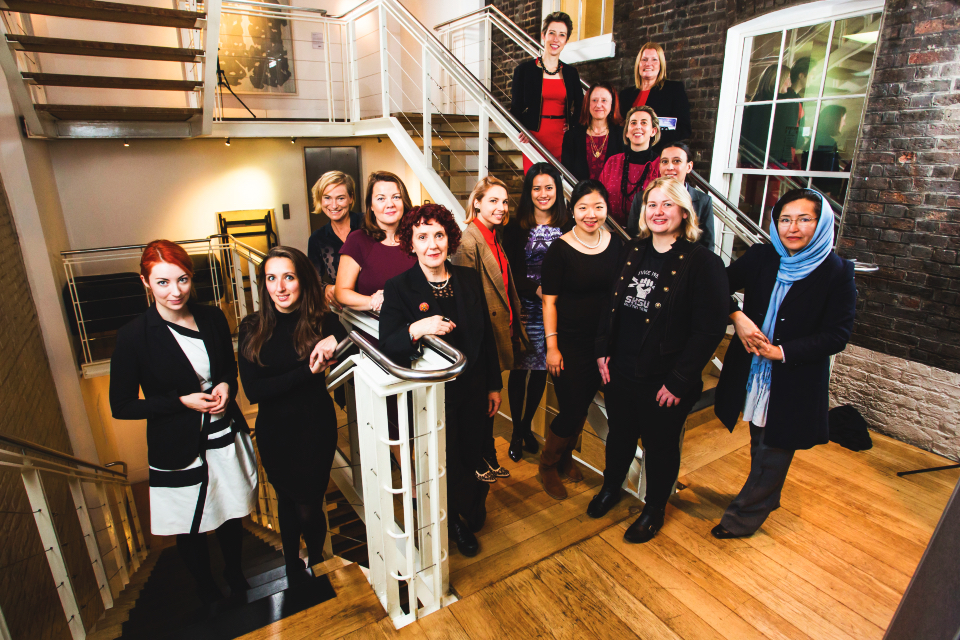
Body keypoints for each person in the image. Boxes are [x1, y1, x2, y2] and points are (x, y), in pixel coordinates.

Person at [110, 240, 257, 605]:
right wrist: (180, 402)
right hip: (176, 443)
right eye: (162, 283)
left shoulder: (212, 317)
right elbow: (122, 405)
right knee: (190, 524)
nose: (175, 291)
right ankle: (205, 586)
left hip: (223, 432)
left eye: (182, 280)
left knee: (230, 511)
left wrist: (225, 384)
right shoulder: (133, 336)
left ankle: (234, 573)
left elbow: (227, 368)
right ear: (145, 282)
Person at [588, 177, 728, 543]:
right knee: (618, 436)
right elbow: (611, 305)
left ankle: (654, 508)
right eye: (652, 204)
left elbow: (708, 330)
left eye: (668, 204)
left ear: (684, 212)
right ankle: (611, 487)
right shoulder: (631, 250)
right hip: (620, 370)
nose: (658, 212)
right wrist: (602, 349)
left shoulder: (703, 263)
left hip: (664, 378)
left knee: (661, 446)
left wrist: (680, 379)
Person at [711, 188, 856, 540]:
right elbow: (716, 282)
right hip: (752, 371)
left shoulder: (836, 272)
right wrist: (737, 316)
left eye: (805, 219)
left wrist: (782, 352)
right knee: (760, 439)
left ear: (821, 223)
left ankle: (742, 517)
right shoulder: (763, 256)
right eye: (785, 219)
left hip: (793, 377)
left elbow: (837, 335)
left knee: (776, 446)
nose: (793, 227)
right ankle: (765, 497)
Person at [379, 204, 503, 558]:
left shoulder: (467, 277)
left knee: (476, 452)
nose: (432, 244)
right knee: (443, 461)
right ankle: (453, 524)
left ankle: (470, 509)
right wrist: (417, 328)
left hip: (475, 389)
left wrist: (494, 384)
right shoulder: (399, 287)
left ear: (449, 239)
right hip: (432, 398)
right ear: (411, 244)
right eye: (422, 237)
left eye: (438, 235)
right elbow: (388, 345)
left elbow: (486, 337)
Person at [238, 247, 342, 580]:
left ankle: (315, 559)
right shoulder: (251, 327)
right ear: (263, 283)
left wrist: (333, 341)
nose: (280, 287)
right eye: (271, 278)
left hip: (315, 428)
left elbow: (352, 335)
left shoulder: (322, 320)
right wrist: (306, 373)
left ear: (302, 280)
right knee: (285, 499)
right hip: (274, 432)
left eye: (289, 277)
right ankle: (291, 566)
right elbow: (255, 391)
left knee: (309, 504)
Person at [538, 179, 623, 500]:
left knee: (584, 406)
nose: (591, 214)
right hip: (569, 344)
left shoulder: (617, 245)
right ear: (572, 210)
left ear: (606, 210)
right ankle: (547, 464)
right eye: (583, 207)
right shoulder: (559, 249)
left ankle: (566, 458)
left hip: (605, 343)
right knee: (572, 409)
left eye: (598, 207)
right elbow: (549, 302)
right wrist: (552, 347)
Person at [452, 176, 530, 482]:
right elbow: (466, 302)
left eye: (505, 201)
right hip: (480, 340)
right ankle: (477, 459)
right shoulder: (467, 241)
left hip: (500, 332)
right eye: (493, 201)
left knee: (491, 401)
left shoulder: (493, 236)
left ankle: (488, 455)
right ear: (477, 203)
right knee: (481, 402)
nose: (500, 207)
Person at [503, 163, 569, 462]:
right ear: (529, 193)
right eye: (537, 188)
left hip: (555, 312)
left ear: (558, 190)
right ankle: (517, 431)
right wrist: (538, 290)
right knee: (520, 371)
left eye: (549, 187)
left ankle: (526, 426)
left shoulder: (569, 225)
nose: (543, 194)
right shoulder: (515, 228)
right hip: (525, 307)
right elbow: (511, 271)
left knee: (542, 370)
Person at [510, 11, 583, 173]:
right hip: (534, 137)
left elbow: (581, 105)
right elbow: (515, 108)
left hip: (562, 139)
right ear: (543, 35)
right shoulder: (524, 70)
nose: (556, 39)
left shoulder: (571, 73)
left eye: (562, 35)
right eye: (552, 33)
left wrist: (572, 124)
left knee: (559, 185)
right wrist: (521, 129)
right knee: (534, 184)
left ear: (566, 41)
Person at [335, 171, 417, 313]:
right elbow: (341, 293)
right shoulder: (357, 240)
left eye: (396, 197)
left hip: (420, 322)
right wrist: (378, 301)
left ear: (404, 202)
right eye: (381, 199)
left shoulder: (417, 237)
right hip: (376, 327)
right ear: (371, 206)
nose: (390, 204)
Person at [627, 142, 715, 251]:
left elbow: (707, 244)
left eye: (676, 161)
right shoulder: (641, 198)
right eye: (664, 161)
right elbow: (634, 236)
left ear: (689, 166)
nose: (669, 167)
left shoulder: (703, 201)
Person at [307, 171, 363, 311]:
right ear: (320, 200)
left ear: (351, 198)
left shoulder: (368, 224)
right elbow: (312, 280)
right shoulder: (317, 238)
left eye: (340, 198)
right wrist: (326, 288)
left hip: (379, 303)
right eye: (327, 198)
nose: (333, 205)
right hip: (345, 311)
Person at [618, 43, 691, 149]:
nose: (648, 64)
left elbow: (684, 130)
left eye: (654, 59)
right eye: (644, 59)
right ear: (638, 64)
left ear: (661, 64)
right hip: (629, 154)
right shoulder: (626, 94)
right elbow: (620, 128)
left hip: (658, 155)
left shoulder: (673, 89)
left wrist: (650, 138)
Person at [598, 105, 661, 228]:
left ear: (653, 131)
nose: (638, 126)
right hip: (611, 231)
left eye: (644, 123)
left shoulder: (660, 165)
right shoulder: (613, 162)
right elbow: (599, 197)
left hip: (649, 235)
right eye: (633, 123)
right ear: (626, 132)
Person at [561, 81, 625, 181]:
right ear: (587, 104)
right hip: (581, 195)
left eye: (604, 100)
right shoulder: (572, 136)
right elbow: (567, 174)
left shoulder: (622, 135)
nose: (598, 105)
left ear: (612, 105)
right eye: (594, 100)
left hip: (613, 196)